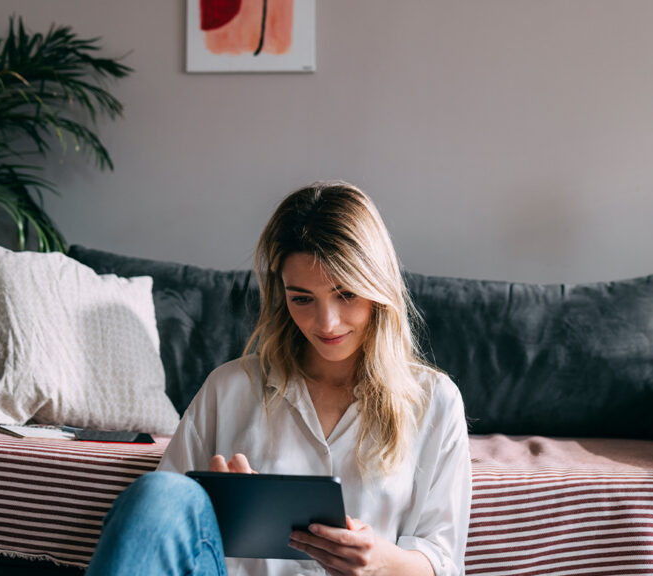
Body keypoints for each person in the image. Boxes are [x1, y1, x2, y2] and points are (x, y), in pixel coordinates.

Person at [85, 182, 472, 576]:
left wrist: (380, 561)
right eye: (302, 299)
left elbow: (443, 560)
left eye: (347, 294)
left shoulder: (435, 401)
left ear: (378, 288)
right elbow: (163, 529)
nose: (326, 323)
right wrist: (212, 508)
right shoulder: (229, 387)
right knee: (161, 494)